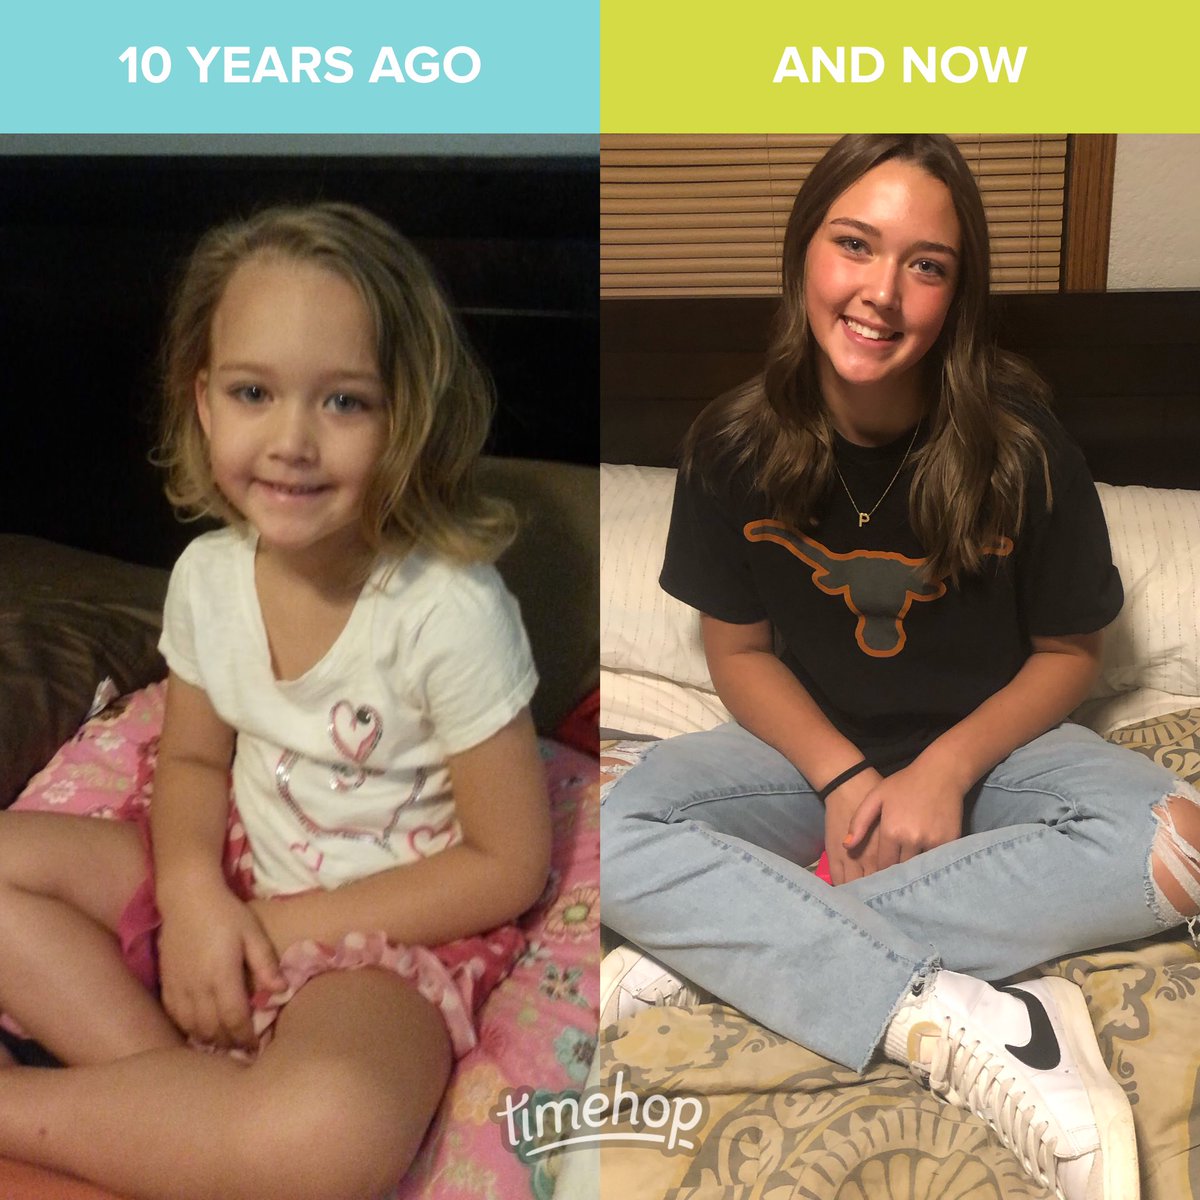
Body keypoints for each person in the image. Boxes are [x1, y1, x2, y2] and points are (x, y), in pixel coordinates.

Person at [600, 135, 1200, 1200]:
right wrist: (840, 775)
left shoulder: (1023, 447)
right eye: (855, 246)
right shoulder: (730, 444)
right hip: (800, 762)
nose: (883, 291)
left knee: (1188, 846)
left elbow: (1072, 654)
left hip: (995, 758)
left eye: (926, 265)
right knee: (605, 836)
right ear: (805, 257)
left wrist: (945, 770)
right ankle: (976, 1014)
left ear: (956, 296)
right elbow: (733, 652)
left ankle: (727, 945)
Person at [0, 203, 551, 1200]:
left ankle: (67, 1120)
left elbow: (507, 862)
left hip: (380, 940)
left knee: (325, 1137)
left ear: (409, 417)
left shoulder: (450, 609)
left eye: (344, 403)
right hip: (236, 876)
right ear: (203, 402)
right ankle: (174, 1110)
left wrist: (286, 934)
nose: (292, 440)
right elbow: (197, 762)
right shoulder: (210, 576)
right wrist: (195, 898)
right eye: (255, 392)